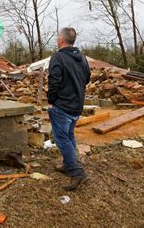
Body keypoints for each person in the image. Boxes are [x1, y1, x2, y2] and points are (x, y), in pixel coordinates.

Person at [47, 27, 91, 191]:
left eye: (58, 38)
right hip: (76, 105)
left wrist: (51, 101)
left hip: (62, 106)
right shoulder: (82, 58)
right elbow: (86, 79)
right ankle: (67, 165)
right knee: (69, 134)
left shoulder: (58, 58)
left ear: (61, 40)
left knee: (61, 139)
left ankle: (77, 172)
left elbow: (54, 82)